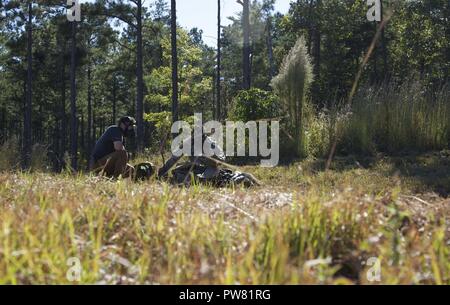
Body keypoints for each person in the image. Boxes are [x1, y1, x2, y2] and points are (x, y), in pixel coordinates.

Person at [158, 131, 226, 179]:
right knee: (178, 172)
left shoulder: (211, 143)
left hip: (209, 169)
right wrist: (164, 170)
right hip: (193, 168)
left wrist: (214, 158)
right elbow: (174, 158)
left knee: (206, 178)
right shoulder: (188, 142)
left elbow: (222, 157)